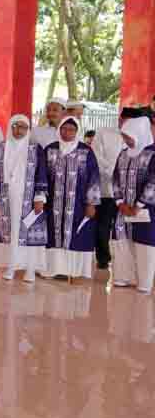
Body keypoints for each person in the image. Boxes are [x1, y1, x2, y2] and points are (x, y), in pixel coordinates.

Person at [44, 117, 100, 281]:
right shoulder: (50, 149)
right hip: (53, 204)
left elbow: (94, 178)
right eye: (64, 129)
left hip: (78, 204)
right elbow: (42, 175)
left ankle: (74, 271)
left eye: (71, 130)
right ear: (59, 129)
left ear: (77, 132)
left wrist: (91, 203)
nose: (67, 132)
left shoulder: (86, 151)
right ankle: (53, 269)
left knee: (77, 235)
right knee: (53, 235)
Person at [0, 115, 48, 283]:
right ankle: (10, 266)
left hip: (28, 197)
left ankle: (30, 269)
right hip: (6, 196)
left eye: (23, 127)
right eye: (15, 126)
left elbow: (41, 173)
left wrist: (39, 197)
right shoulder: (1, 147)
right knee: (10, 232)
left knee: (28, 232)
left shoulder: (35, 148)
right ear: (10, 127)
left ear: (28, 129)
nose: (19, 130)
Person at [110, 116, 155, 290]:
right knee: (121, 242)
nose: (126, 140)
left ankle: (144, 282)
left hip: (145, 209)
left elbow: (153, 182)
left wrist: (138, 205)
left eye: (129, 137)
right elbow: (115, 179)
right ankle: (123, 277)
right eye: (124, 137)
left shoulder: (152, 153)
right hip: (123, 209)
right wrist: (120, 202)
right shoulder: (123, 154)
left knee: (145, 245)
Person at [92, 123, 126, 271]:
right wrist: (115, 173)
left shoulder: (143, 136)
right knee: (103, 227)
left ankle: (123, 261)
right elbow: (97, 157)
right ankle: (103, 259)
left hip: (127, 194)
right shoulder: (104, 133)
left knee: (124, 228)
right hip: (106, 190)